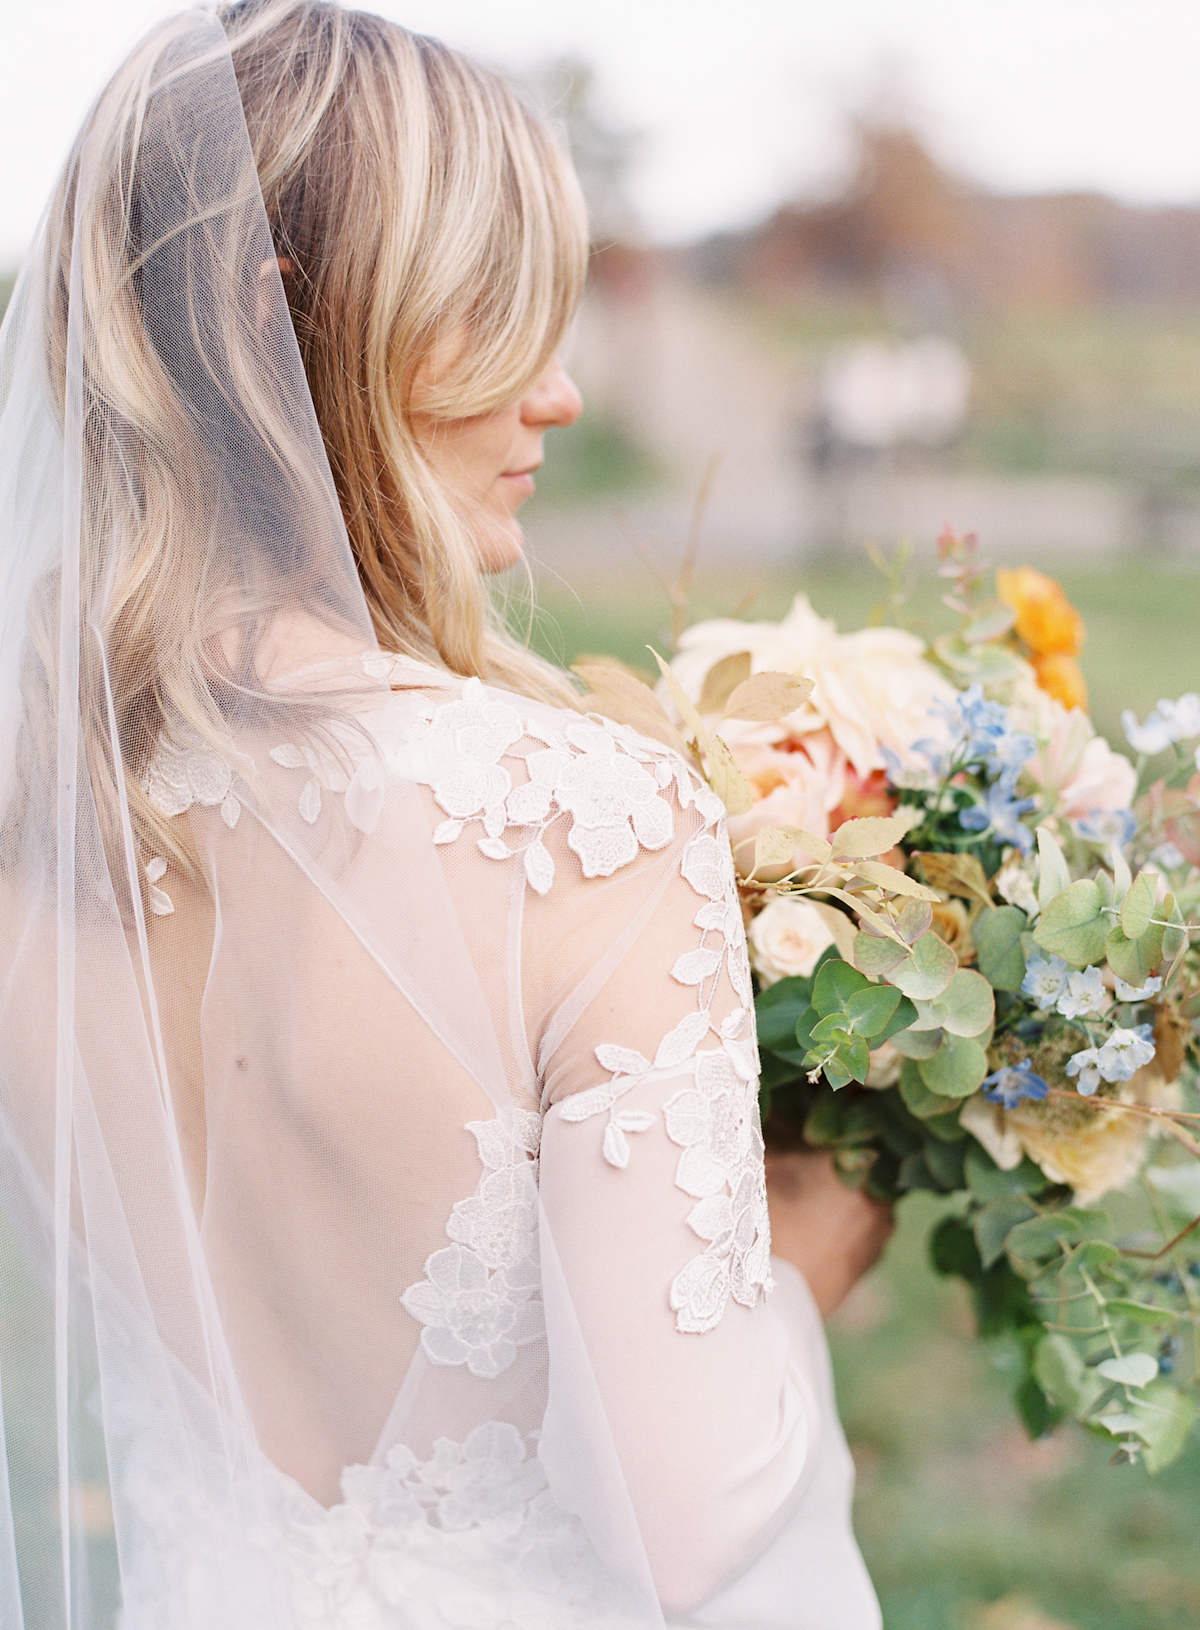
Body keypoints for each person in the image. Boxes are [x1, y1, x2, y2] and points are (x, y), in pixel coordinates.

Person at [0, 2, 888, 1624]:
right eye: (491, 311)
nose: (554, 393)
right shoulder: (585, 831)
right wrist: (811, 1251)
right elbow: (680, 1527)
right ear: (293, 322)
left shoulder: (31, 803)